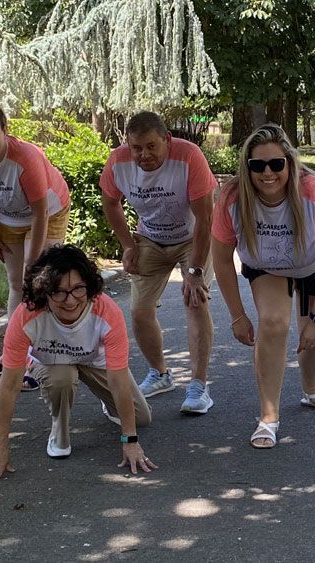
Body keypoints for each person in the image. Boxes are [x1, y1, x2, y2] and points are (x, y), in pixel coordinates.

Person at [211, 124, 315, 449]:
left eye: (276, 164)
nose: (267, 173)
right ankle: (268, 417)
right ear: (247, 168)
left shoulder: (312, 190)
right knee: (272, 324)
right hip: (267, 268)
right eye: (257, 165)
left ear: (289, 162)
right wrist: (237, 315)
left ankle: (312, 390)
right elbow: (221, 259)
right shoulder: (231, 197)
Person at [0, 244, 154, 480]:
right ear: (43, 292)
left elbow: (118, 379)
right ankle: (59, 426)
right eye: (59, 292)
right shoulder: (26, 315)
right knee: (63, 377)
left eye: (79, 289)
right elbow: (8, 386)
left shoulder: (107, 311)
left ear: (89, 287)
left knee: (142, 418)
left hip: (94, 362)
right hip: (52, 363)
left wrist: (129, 440)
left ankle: (107, 403)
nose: (70, 301)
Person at [101, 111, 217, 414]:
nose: (144, 155)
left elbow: (206, 218)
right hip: (150, 238)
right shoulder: (119, 161)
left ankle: (198, 387)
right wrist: (127, 244)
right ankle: (160, 374)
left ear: (167, 140)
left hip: (193, 236)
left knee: (195, 300)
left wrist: (195, 271)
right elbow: (110, 201)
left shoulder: (189, 156)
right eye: (137, 148)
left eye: (152, 146)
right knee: (139, 311)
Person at [0, 97, 70, 391]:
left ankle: (42, 358)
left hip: (48, 212)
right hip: (8, 216)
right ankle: (15, 353)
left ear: (4, 130)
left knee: (37, 283)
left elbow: (39, 212)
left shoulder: (24, 157)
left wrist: (33, 265)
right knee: (15, 284)